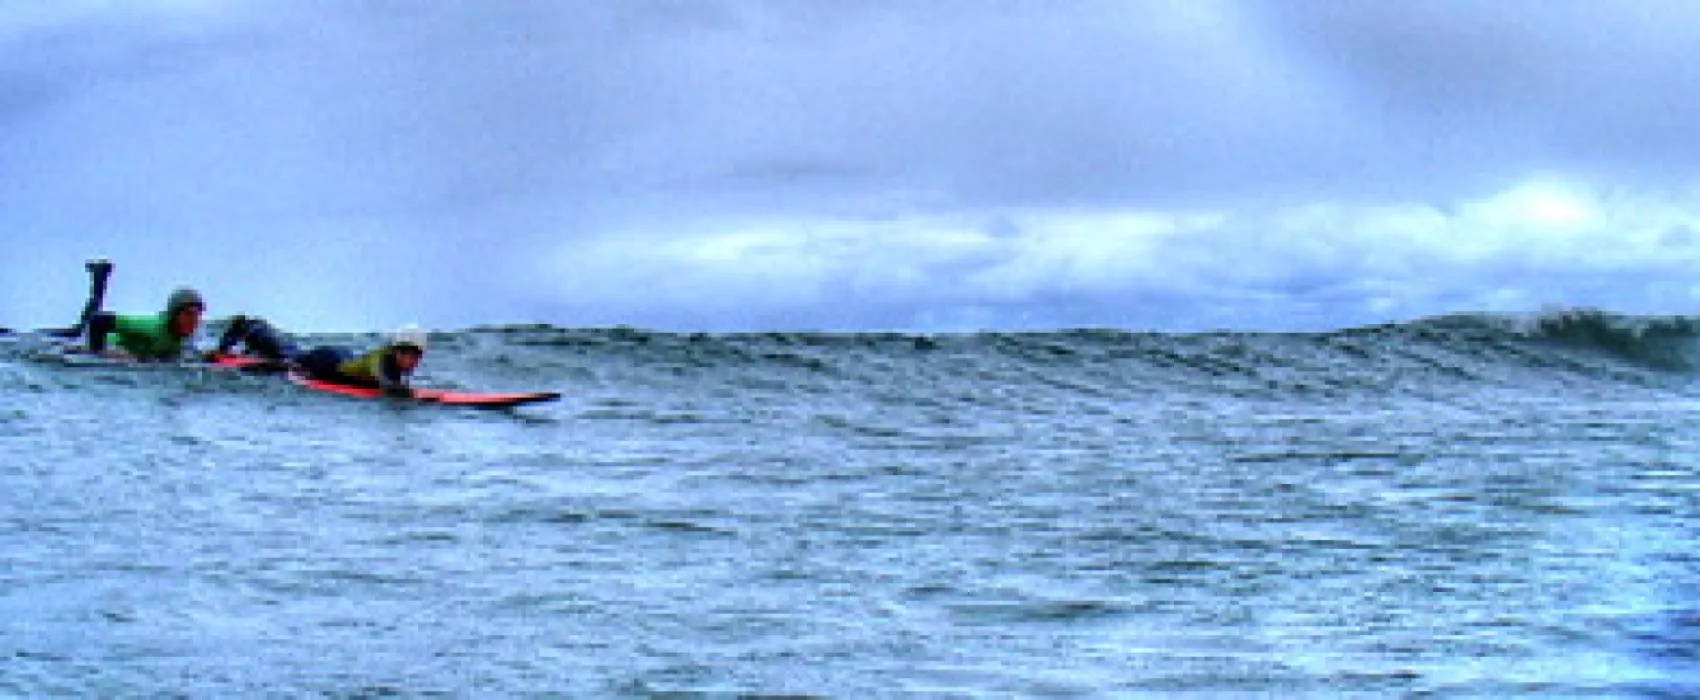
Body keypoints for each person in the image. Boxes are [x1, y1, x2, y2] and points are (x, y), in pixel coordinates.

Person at [218, 317, 427, 397]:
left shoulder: (394, 365)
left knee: (290, 354)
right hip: (329, 363)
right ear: (395, 350)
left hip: (346, 359)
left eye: (414, 355)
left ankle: (256, 344)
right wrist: (405, 394)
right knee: (288, 360)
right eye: (404, 353)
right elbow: (386, 383)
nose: (409, 360)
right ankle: (249, 326)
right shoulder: (382, 360)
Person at [81, 259, 208, 362]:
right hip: (106, 344)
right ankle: (99, 275)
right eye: (188, 314)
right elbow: (98, 320)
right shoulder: (152, 327)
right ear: (174, 315)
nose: (194, 321)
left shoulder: (187, 334)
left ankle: (100, 275)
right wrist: (99, 354)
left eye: (198, 315)